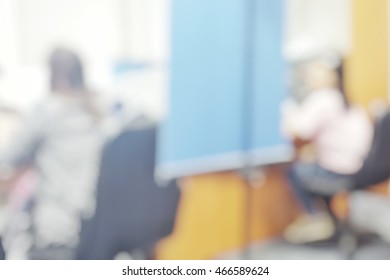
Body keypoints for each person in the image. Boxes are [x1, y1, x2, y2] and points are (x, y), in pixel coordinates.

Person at [0, 48, 104, 259]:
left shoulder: (48, 110)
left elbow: (11, 155)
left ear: (53, 74)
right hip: (94, 226)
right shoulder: (96, 111)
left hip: (56, 226)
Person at [280, 57, 373, 244]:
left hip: (340, 169)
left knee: (297, 172)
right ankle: (330, 221)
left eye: (317, 73)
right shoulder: (344, 99)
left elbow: (298, 129)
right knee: (312, 167)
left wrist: (287, 109)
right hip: (360, 167)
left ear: (332, 77)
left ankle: (315, 216)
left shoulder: (324, 98)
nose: (310, 78)